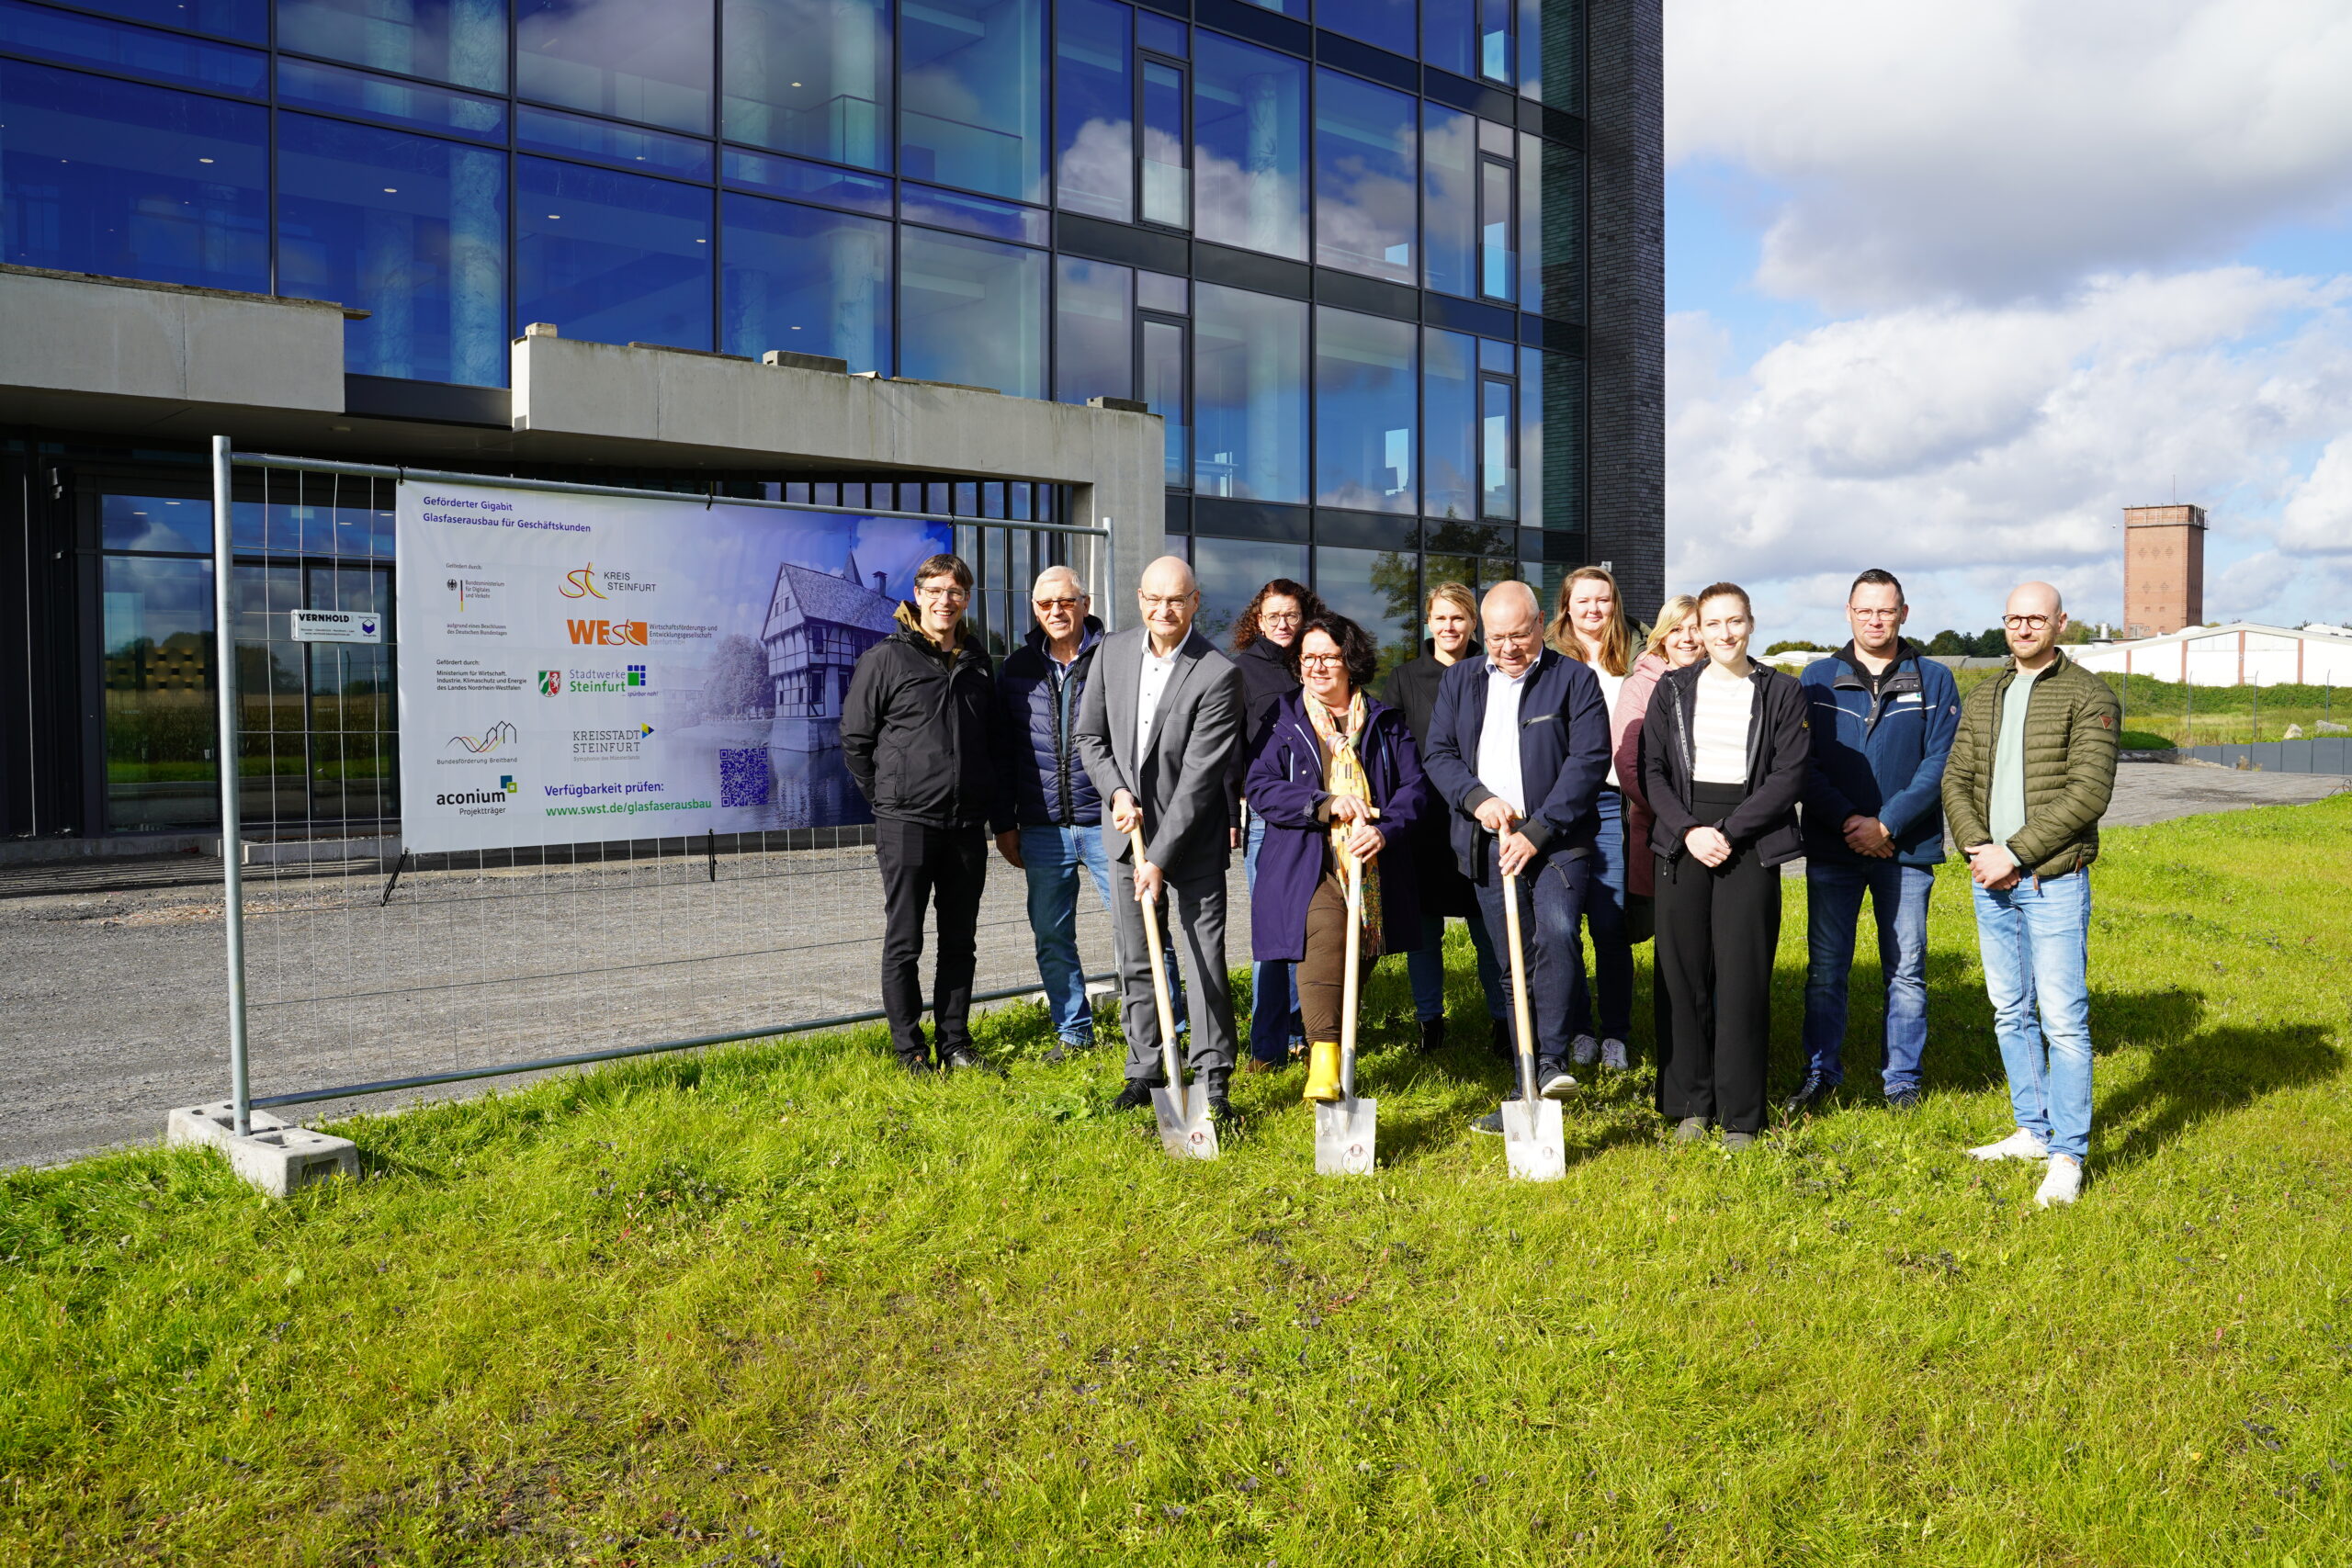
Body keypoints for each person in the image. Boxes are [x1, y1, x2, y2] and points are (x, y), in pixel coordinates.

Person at [1942, 581, 2120, 1208]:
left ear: (2060, 623)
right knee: (2009, 1009)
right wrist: (1977, 850)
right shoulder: (1986, 692)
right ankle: (2033, 1128)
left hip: (2052, 882)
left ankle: (2069, 1153)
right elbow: (1956, 778)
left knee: (2064, 1021)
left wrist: (2012, 853)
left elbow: (2087, 795)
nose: (2023, 627)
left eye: (2035, 618)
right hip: (1990, 882)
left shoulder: (2089, 696)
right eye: (2014, 617)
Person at [1421, 581, 1611, 1134]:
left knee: (1555, 932)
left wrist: (1538, 829)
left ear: (1541, 625)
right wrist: (1479, 800)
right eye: (1498, 637)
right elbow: (1439, 753)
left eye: (1521, 635)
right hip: (1488, 843)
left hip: (1558, 841)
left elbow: (1589, 759)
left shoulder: (1574, 680)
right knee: (1511, 963)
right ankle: (1524, 1082)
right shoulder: (1460, 680)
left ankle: (1550, 1060)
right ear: (1484, 633)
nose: (1509, 648)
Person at [1074, 556, 1247, 1127]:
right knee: (1136, 958)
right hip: (1125, 836)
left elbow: (1200, 781)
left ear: (1195, 601)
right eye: (1152, 598)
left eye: (1175, 600)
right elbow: (1090, 738)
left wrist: (1161, 858)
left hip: (1189, 842)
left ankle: (1212, 1076)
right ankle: (1145, 1068)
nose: (1162, 610)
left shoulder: (1218, 674)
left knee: (1202, 959)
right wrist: (1117, 793)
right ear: (1139, 598)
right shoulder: (1111, 653)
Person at [989, 565, 1183, 1063]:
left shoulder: (1119, 657)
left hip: (1109, 822)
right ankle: (1073, 1032)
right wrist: (1005, 822)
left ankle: (1169, 1028)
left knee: (1141, 927)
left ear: (1085, 602)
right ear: (1034, 609)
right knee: (1052, 934)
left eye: (1066, 601)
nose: (1056, 611)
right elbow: (1004, 752)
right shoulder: (1017, 669)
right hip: (1041, 825)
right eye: (1045, 604)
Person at [1640, 582, 1808, 1149]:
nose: (1724, 634)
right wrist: (1689, 831)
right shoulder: (1671, 688)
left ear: (1751, 623)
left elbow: (1788, 776)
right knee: (1682, 975)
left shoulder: (1783, 692)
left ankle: (1740, 1113)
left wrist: (1730, 832)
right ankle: (1691, 1101)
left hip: (1750, 839)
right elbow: (1653, 772)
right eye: (1713, 624)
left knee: (1741, 976)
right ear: (1699, 630)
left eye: (1734, 622)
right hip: (1682, 838)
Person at [1790, 570, 1961, 1113]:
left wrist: (1886, 824)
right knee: (1826, 968)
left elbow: (1940, 763)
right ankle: (1821, 1073)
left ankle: (1902, 1080)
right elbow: (1801, 764)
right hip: (1834, 846)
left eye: (1886, 610)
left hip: (1906, 850)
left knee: (1906, 969)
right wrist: (1850, 822)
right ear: (1848, 612)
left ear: (1904, 613)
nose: (1875, 620)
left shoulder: (1933, 680)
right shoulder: (1816, 678)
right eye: (1865, 610)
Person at [1244, 614, 1428, 1099]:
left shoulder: (1385, 721)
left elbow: (1415, 789)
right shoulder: (1281, 717)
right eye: (1308, 658)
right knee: (1324, 938)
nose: (1318, 667)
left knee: (1357, 958)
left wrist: (1384, 830)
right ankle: (1323, 1062)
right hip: (1307, 860)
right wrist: (1322, 805)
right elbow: (1260, 786)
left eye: (1328, 656)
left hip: (1371, 865)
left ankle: (1336, 1043)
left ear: (1351, 661)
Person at [842, 553, 998, 1076]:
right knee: (905, 940)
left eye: (955, 592)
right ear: (917, 594)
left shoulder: (978, 660)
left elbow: (990, 744)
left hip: (965, 825)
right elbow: (856, 740)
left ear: (966, 599)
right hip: (906, 822)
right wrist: (888, 798)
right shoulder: (886, 659)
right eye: (935, 590)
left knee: (960, 939)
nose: (945, 601)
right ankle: (910, 1049)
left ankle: (954, 1042)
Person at [1381, 582, 1507, 1057]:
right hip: (1423, 823)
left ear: (1474, 623)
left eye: (1459, 618)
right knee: (1425, 933)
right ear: (1428, 622)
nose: (1450, 627)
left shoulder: (1493, 670)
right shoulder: (1406, 677)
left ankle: (1503, 1019)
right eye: (1441, 618)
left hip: (1481, 817)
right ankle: (1429, 1022)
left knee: (1489, 929)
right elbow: (1391, 752)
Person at [1547, 566, 1639, 1071]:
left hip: (1609, 805)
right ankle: (1579, 1028)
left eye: (1603, 599)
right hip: (1561, 807)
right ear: (1566, 607)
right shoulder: (1551, 663)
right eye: (1583, 601)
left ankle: (1616, 1033)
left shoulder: (1635, 662)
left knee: (1609, 924)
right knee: (1563, 925)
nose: (1594, 609)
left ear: (1614, 603)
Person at [1231, 578, 1324, 1071]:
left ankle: (1306, 1033)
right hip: (1268, 817)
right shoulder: (1243, 670)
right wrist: (1231, 812)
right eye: (1273, 617)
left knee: (1314, 930)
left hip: (1324, 817)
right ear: (1258, 620)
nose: (1283, 625)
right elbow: (1229, 749)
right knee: (1273, 934)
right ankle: (1267, 1041)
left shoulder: (1319, 660)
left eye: (1292, 615)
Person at [1614, 592, 1702, 1093]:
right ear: (1662, 636)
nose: (1688, 638)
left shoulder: (1725, 679)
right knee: (1670, 946)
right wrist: (1679, 818)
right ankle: (1673, 1055)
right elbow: (1629, 763)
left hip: (1717, 834)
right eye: (1678, 629)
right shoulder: (1642, 683)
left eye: (1695, 628)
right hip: (1663, 832)